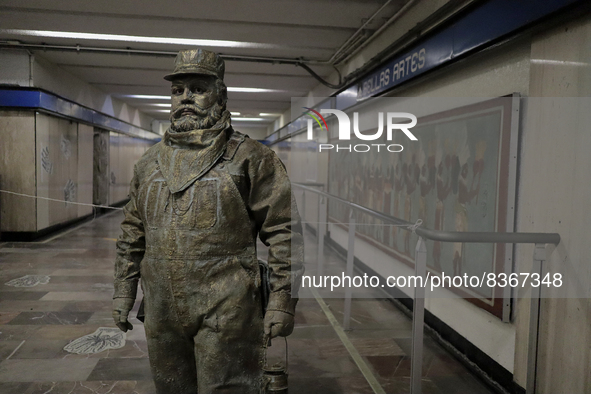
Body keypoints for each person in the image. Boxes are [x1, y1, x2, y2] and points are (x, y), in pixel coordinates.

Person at [112, 48, 304, 394]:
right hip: (161, 307)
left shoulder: (251, 158)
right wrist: (123, 292)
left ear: (221, 95)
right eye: (177, 90)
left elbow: (284, 231)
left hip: (228, 309)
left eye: (198, 88)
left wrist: (281, 301)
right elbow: (132, 232)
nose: (185, 98)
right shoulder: (149, 164)